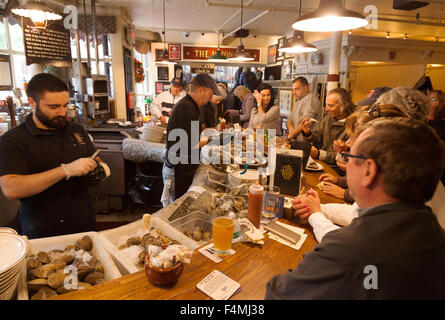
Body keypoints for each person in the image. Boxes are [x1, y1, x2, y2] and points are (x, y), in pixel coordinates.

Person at [266, 117, 445, 299]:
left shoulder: (347, 254)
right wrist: (316, 211)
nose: (345, 164)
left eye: (350, 156)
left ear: (368, 171)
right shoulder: (434, 234)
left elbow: (278, 293)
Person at [0, 73, 107, 239]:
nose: (62, 112)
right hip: (41, 230)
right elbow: (11, 188)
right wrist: (65, 171)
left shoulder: (76, 130)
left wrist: (99, 170)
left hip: (83, 224)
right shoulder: (14, 140)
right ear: (32, 102)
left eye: (65, 105)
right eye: (53, 107)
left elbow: (96, 159)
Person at [162, 74, 220, 204]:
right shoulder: (186, 107)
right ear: (200, 90)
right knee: (176, 211)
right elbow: (191, 144)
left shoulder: (191, 106)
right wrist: (214, 140)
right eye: (210, 93)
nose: (211, 98)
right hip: (178, 170)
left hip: (183, 166)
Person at [301, 88, 355, 167]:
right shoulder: (329, 118)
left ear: (344, 105)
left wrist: (319, 154)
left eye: (331, 106)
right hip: (321, 163)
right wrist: (308, 133)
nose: (326, 109)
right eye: (326, 105)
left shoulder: (353, 125)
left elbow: (347, 157)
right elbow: (319, 138)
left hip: (337, 169)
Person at [287, 77, 323, 141]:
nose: (294, 92)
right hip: (296, 141)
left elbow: (306, 122)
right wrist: (292, 130)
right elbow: (289, 120)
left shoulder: (310, 99)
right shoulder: (298, 101)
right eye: (293, 89)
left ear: (306, 88)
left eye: (297, 89)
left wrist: (291, 135)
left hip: (307, 142)